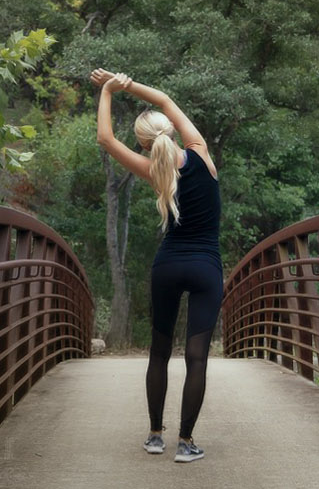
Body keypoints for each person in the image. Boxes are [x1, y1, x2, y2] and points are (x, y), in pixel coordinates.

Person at [91, 67, 222, 463]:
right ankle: (185, 443)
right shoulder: (200, 152)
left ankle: (153, 436)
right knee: (196, 357)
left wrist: (109, 93)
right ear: (171, 131)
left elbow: (104, 138)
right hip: (205, 268)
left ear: (145, 146)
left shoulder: (153, 171)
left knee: (159, 352)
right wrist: (126, 82)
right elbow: (164, 98)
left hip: (167, 265)